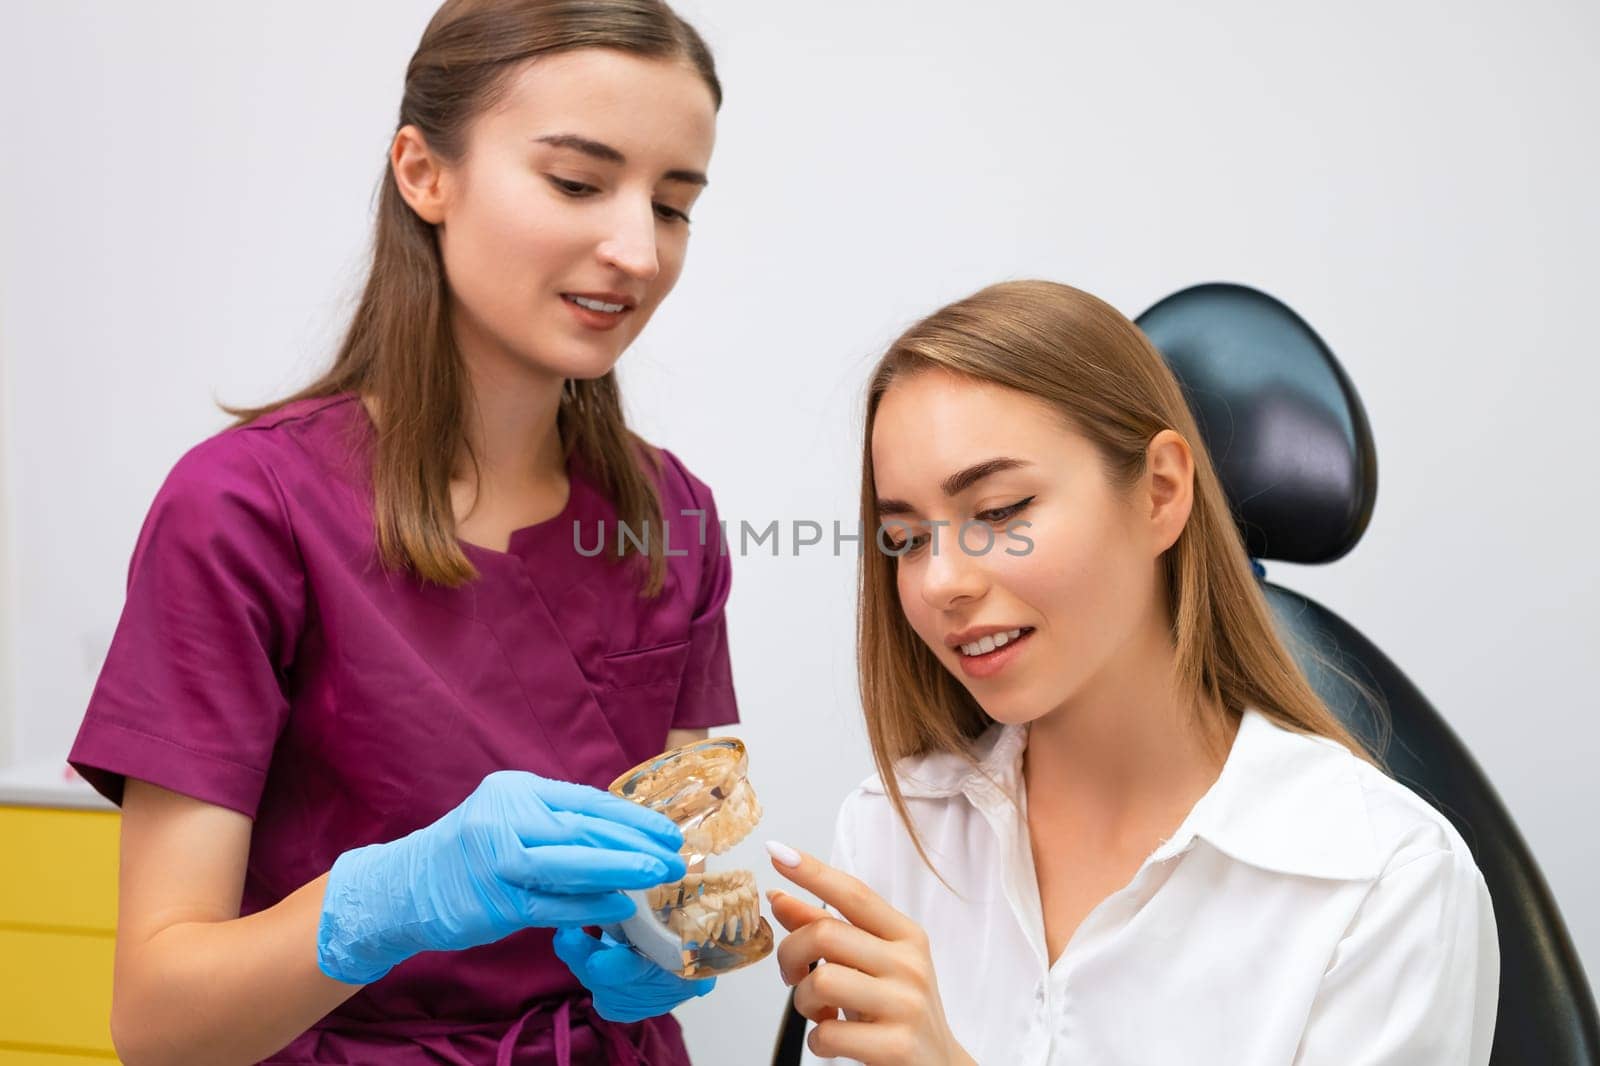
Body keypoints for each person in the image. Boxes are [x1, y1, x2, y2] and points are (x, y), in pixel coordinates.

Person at [66, 1, 737, 1062]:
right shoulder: (245, 512)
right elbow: (157, 1024)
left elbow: (691, 877)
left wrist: (681, 942)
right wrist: (388, 899)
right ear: (424, 173)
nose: (636, 248)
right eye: (576, 182)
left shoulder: (669, 518)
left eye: (674, 203)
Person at [764, 280, 1499, 1065]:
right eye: (907, 539)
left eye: (1001, 510)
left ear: (1160, 493)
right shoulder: (892, 831)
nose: (941, 580)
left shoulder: (1384, 885)